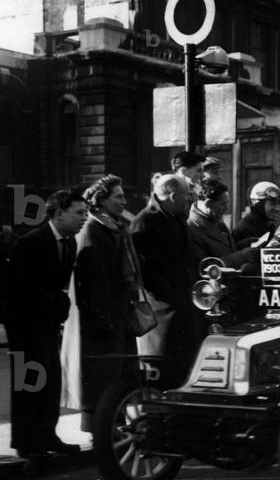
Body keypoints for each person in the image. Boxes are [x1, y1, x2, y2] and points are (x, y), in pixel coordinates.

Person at [7, 189, 89, 458]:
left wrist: (59, 308)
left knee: (51, 381)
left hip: (47, 323)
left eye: (85, 212)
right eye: (79, 213)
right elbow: (23, 288)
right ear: (58, 213)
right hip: (24, 325)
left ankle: (47, 435)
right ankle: (26, 442)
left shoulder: (69, 242)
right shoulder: (32, 242)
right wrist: (56, 305)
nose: (84, 218)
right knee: (29, 384)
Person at [60, 174, 143, 431]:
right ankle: (101, 432)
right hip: (102, 320)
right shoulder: (93, 230)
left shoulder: (115, 227)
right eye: (118, 197)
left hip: (118, 315)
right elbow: (94, 281)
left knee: (116, 378)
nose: (123, 201)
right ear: (101, 200)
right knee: (101, 380)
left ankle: (110, 429)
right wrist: (104, 318)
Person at [131, 174, 200, 385]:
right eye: (186, 196)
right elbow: (144, 270)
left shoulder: (177, 218)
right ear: (172, 196)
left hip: (182, 307)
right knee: (161, 370)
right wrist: (170, 294)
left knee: (181, 367)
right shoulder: (145, 221)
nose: (190, 200)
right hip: (162, 313)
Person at [187, 179, 253, 269]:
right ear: (208, 204)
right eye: (223, 204)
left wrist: (247, 243)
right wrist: (241, 256)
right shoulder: (191, 228)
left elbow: (224, 249)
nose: (226, 209)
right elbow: (204, 267)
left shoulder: (216, 222)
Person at [233, 181, 280, 250]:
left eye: (278, 204)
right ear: (259, 205)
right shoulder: (243, 229)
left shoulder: (270, 227)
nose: (277, 208)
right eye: (273, 203)